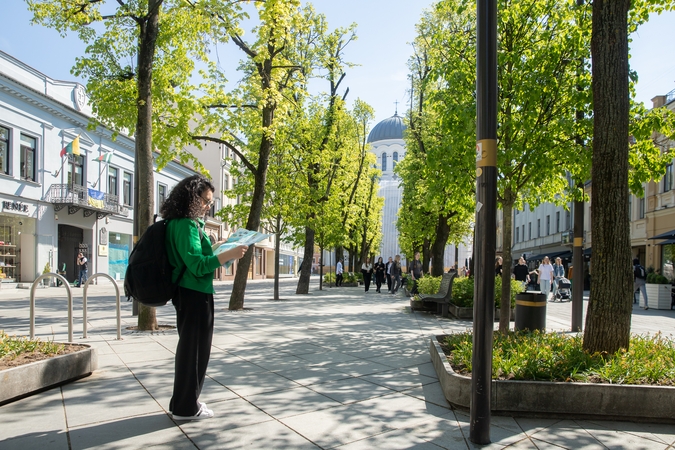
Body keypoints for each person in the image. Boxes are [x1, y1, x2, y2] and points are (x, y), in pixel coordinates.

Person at [162, 174, 248, 421]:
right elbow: (198, 265)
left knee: (191, 351)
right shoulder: (186, 224)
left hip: (191, 293)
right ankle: (187, 408)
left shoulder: (179, 223)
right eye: (206, 201)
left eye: (211, 202)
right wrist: (228, 253)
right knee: (195, 352)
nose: (208, 206)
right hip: (194, 294)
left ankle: (184, 401)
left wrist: (222, 245)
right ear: (192, 198)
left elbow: (196, 257)